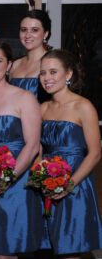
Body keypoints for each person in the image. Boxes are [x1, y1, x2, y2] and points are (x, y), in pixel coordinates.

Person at [0, 40, 43, 259]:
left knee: (12, 250)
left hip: (18, 183)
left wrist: (6, 180)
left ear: (9, 65)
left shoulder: (24, 98)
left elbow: (32, 146)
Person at [39, 49, 102, 257]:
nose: (47, 78)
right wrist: (40, 179)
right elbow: (38, 150)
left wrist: (69, 185)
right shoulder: (42, 108)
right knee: (47, 247)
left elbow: (94, 153)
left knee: (71, 248)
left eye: (53, 72)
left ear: (68, 74)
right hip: (47, 184)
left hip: (76, 184)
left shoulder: (83, 107)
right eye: (43, 73)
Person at [9, 9, 51, 102]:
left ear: (45, 34)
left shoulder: (52, 62)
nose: (28, 35)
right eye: (24, 30)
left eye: (34, 30)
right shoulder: (14, 65)